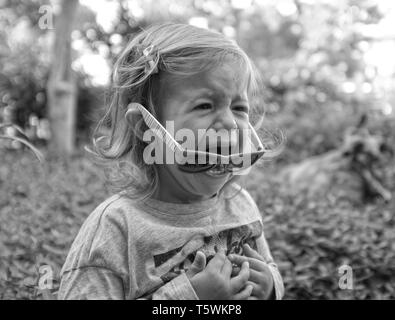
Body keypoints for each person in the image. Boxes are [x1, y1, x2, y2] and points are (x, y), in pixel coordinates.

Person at [58, 23, 284, 300]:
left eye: (239, 108)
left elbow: (269, 267)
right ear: (145, 126)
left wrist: (270, 284)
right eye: (204, 105)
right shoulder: (118, 228)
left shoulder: (240, 204)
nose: (229, 122)